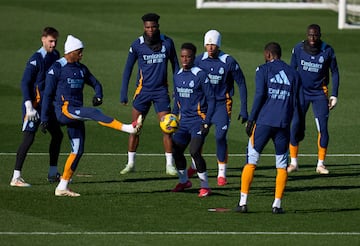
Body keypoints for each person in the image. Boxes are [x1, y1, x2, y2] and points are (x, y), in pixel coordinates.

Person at [41, 35, 142, 197]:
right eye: (79, 52)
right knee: (95, 113)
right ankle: (129, 128)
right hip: (65, 110)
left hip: (76, 114)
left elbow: (96, 83)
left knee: (78, 150)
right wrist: (45, 118)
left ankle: (62, 186)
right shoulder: (57, 68)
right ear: (71, 52)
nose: (82, 55)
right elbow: (47, 94)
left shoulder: (81, 69)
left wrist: (98, 95)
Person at [235, 42, 304, 214]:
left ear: (267, 55)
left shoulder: (262, 70)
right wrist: (300, 125)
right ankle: (277, 205)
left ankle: (243, 202)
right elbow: (298, 103)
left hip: (264, 122)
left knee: (251, 161)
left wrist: (251, 119)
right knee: (281, 165)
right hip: (283, 125)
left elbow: (259, 95)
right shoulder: (294, 74)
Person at [120, 13, 179, 176]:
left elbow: (175, 66)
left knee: (167, 128)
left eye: (153, 27)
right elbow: (127, 69)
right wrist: (123, 93)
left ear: (158, 26)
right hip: (142, 92)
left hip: (161, 92)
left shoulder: (168, 42)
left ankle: (169, 165)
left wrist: (178, 88)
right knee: (135, 128)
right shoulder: (137, 44)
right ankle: (131, 163)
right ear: (143, 27)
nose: (150, 30)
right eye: (147, 27)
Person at [190, 29, 248, 186]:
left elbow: (241, 83)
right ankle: (194, 165)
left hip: (222, 105)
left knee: (220, 137)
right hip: (204, 105)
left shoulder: (228, 61)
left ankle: (222, 173)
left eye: (213, 45)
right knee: (198, 136)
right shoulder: (198, 60)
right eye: (207, 44)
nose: (209, 48)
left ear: (218, 45)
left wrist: (244, 108)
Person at [10, 27, 64, 187]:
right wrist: (28, 105)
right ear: (43, 39)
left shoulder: (55, 55)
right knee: (28, 138)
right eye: (50, 41)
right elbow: (25, 82)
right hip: (33, 106)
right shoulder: (36, 59)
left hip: (47, 106)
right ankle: (16, 177)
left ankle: (53, 174)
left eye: (55, 41)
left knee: (58, 135)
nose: (53, 44)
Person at [288, 24, 340, 175]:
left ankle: (321, 164)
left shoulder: (328, 51)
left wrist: (334, 94)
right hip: (301, 93)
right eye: (310, 35)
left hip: (319, 94)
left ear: (320, 35)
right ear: (307, 35)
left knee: (322, 128)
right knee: (295, 125)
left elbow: (335, 72)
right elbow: (292, 70)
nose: (312, 38)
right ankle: (293, 162)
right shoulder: (298, 48)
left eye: (315, 35)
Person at [171, 43, 216, 197]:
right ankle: (184, 181)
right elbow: (177, 98)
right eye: (182, 56)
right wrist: (172, 117)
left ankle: (205, 186)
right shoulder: (177, 74)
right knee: (176, 151)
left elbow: (211, 99)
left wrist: (207, 121)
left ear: (193, 57)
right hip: (182, 123)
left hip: (198, 121)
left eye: (188, 57)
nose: (185, 59)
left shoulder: (200, 75)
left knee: (195, 151)